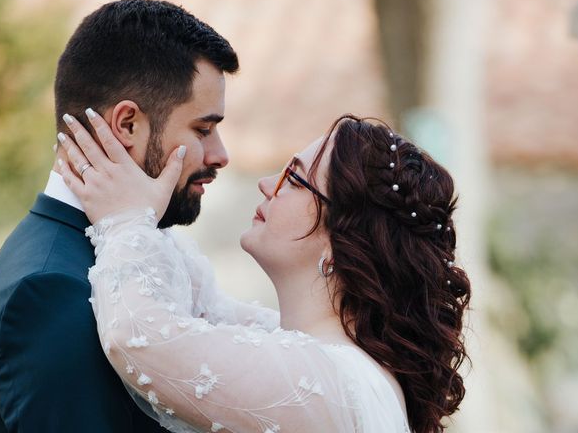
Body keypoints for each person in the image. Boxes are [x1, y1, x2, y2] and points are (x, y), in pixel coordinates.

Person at [56, 109, 472, 433]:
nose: (266, 183)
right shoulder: (318, 355)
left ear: (340, 241)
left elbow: (138, 335)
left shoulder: (329, 382)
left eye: (294, 179)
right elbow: (205, 309)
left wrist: (127, 220)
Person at [0, 0, 239, 432]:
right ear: (127, 124)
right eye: (203, 129)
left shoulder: (119, 257)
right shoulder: (50, 292)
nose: (220, 155)